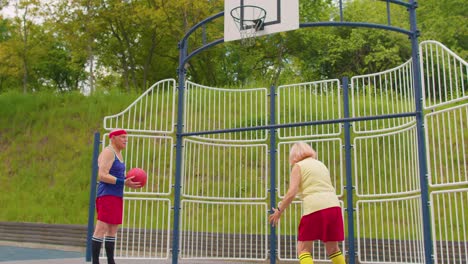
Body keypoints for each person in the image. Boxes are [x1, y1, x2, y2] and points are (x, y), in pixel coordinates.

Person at [269, 142, 346, 264]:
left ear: (294, 155)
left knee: (303, 249)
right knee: (333, 249)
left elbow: (291, 192)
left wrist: (279, 210)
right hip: (334, 207)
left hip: (315, 207)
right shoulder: (320, 164)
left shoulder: (298, 166)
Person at [91, 128, 141, 264]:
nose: (126, 140)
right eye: (122, 137)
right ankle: (95, 262)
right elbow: (102, 175)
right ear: (113, 138)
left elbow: (117, 176)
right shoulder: (108, 152)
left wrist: (126, 181)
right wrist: (122, 181)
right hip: (107, 195)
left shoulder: (119, 153)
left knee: (113, 229)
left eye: (126, 137)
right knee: (101, 229)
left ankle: (111, 261)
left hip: (116, 195)